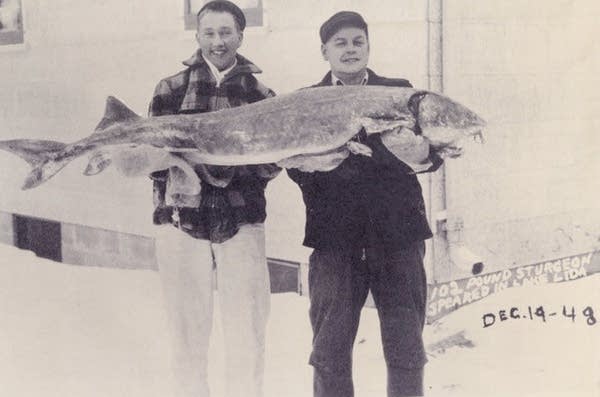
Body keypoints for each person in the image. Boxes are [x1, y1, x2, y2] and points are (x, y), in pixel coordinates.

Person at [287, 11, 442, 397]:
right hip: (335, 241)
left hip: (397, 237)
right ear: (324, 51)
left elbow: (431, 154)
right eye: (340, 42)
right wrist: (332, 165)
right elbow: (295, 164)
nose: (350, 49)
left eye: (358, 41)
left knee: (406, 346)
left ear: (369, 47)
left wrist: (397, 155)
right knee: (329, 349)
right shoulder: (305, 101)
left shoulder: (400, 94)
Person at [147, 1, 279, 396]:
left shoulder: (262, 95)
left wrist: (244, 166)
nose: (218, 42)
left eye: (226, 33)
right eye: (209, 33)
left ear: (241, 34)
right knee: (187, 336)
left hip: (241, 222)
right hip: (180, 222)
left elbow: (272, 166)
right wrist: (173, 166)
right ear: (198, 36)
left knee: (247, 333)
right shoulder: (169, 89)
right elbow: (148, 158)